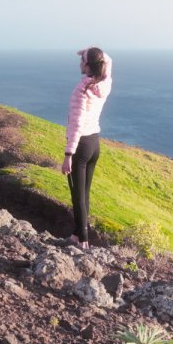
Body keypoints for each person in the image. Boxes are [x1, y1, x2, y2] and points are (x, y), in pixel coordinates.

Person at [59, 46, 113, 250]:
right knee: (85, 194)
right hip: (94, 144)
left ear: (88, 65)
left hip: (81, 147)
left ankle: (83, 242)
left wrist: (68, 155)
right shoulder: (104, 85)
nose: (80, 64)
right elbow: (109, 61)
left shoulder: (82, 90)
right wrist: (92, 50)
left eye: (83, 61)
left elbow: (76, 124)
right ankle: (75, 235)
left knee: (77, 196)